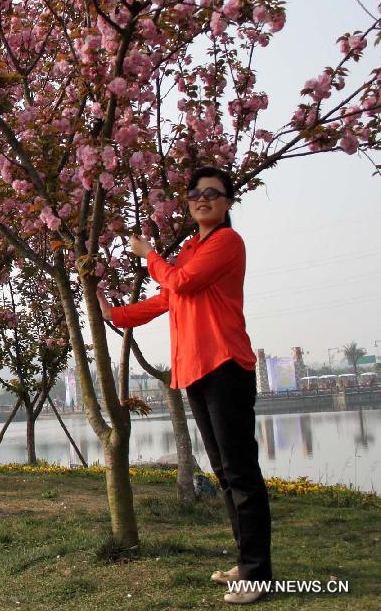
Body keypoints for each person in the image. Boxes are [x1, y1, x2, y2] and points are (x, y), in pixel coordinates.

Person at [97, 166, 271, 605]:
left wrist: (148, 255)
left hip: (226, 365)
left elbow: (181, 281)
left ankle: (257, 573)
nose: (202, 199)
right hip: (194, 370)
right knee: (225, 472)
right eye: (195, 193)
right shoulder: (192, 248)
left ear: (229, 202)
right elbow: (165, 298)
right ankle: (247, 562)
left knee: (242, 473)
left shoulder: (227, 243)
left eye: (214, 193)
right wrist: (111, 313)